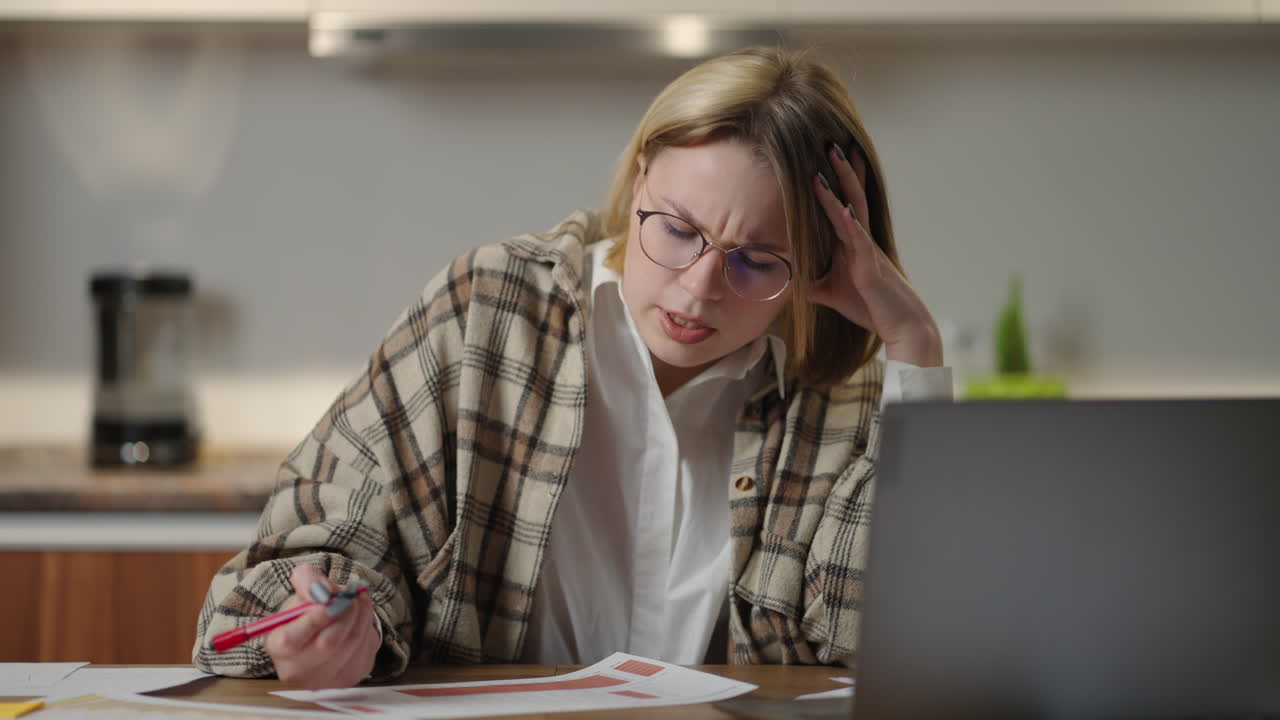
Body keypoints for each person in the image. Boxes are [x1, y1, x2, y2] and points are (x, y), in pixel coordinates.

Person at [192, 45, 952, 690]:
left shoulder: (836, 385)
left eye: (756, 261)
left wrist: (914, 344)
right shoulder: (491, 313)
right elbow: (312, 549)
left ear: (820, 258)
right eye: (679, 230)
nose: (699, 287)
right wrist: (324, 628)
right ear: (641, 175)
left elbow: (888, 643)